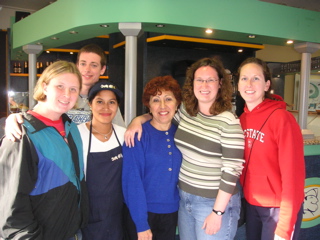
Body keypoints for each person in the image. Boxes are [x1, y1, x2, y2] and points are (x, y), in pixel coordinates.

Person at [125, 58, 245, 240]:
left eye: (210, 79)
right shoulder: (187, 115)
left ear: (220, 83)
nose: (204, 85)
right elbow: (161, 114)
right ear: (192, 84)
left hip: (213, 204)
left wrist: (218, 212)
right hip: (184, 202)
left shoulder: (229, 121)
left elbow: (232, 170)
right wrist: (137, 120)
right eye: (199, 79)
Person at [0, 61, 88, 240]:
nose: (66, 94)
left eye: (73, 89)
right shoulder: (21, 134)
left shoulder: (71, 127)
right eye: (60, 86)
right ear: (45, 86)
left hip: (73, 231)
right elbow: (11, 205)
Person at [237, 57, 305, 240]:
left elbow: (294, 177)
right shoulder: (242, 119)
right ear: (238, 84)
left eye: (256, 78)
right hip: (252, 205)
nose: (249, 83)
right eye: (244, 78)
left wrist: (284, 228)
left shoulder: (282, 119)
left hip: (277, 209)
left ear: (267, 85)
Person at [5, 43, 125, 141]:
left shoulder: (106, 101)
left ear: (102, 69)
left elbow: (121, 131)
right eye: (83, 64)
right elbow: (37, 117)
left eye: (94, 65)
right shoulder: (61, 98)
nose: (87, 70)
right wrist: (16, 118)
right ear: (77, 65)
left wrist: (137, 121)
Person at [122, 76, 182, 240]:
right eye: (156, 100)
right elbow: (132, 182)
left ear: (177, 104)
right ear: (149, 105)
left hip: (171, 213)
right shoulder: (137, 135)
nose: (163, 106)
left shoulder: (181, 133)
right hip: (142, 214)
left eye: (168, 99)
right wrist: (141, 224)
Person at [77, 80, 126, 240]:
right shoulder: (77, 135)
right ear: (90, 104)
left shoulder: (125, 135)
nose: (106, 108)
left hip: (118, 216)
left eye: (111, 102)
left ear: (117, 106)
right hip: (88, 217)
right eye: (99, 101)